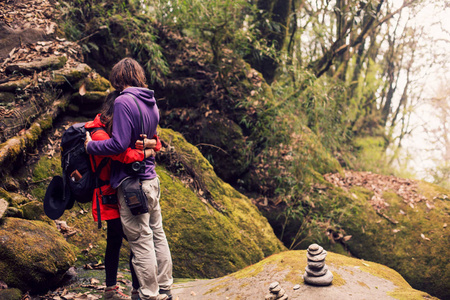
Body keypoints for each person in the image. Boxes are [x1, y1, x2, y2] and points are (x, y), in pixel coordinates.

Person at [85, 57, 173, 300]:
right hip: (151, 178)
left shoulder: (124, 101)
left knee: (141, 239)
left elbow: (119, 144)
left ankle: (149, 294)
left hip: (132, 183)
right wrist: (147, 147)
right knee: (158, 233)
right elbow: (154, 142)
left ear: (118, 78)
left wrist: (91, 146)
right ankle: (165, 287)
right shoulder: (151, 102)